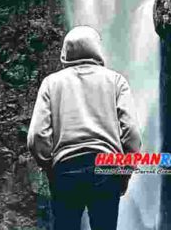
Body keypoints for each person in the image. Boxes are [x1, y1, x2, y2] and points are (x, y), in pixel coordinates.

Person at [27, 25, 142, 230]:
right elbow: (132, 132)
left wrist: (50, 166)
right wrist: (125, 171)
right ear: (97, 49)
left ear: (65, 52)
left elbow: (36, 136)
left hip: (66, 169)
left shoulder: (51, 83)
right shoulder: (116, 81)